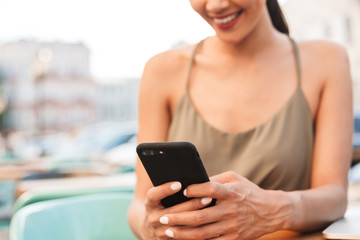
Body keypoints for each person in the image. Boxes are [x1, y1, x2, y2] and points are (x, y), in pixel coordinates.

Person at [128, 0, 353, 239]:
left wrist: (270, 210)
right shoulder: (162, 70)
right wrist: (153, 227)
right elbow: (139, 204)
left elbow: (335, 197)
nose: (216, 5)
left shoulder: (325, 60)